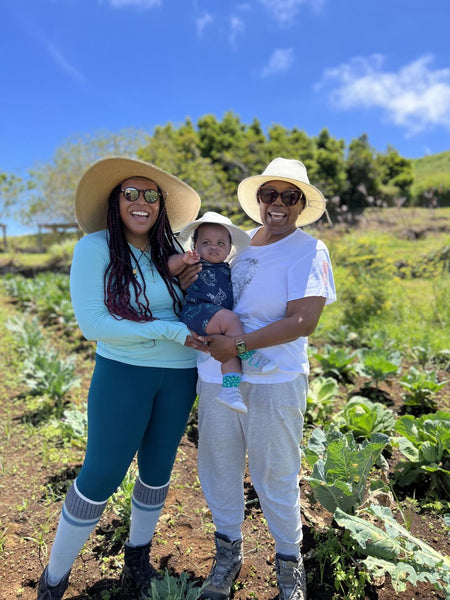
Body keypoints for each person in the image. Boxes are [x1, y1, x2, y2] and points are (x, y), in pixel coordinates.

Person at [37, 157, 207, 600]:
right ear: (115, 203)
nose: (141, 202)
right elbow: (94, 323)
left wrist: (197, 292)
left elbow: (193, 311)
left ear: (161, 205)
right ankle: (54, 578)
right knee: (100, 474)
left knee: (156, 471)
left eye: (151, 195)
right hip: (123, 373)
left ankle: (137, 560)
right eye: (130, 193)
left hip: (180, 376)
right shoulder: (94, 248)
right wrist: (168, 330)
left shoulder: (172, 251)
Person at [186, 158, 337, 600]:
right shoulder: (238, 243)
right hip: (216, 376)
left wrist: (239, 346)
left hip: (275, 381)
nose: (277, 204)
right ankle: (227, 554)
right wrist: (201, 333)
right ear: (258, 200)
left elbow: (303, 321)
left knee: (276, 474)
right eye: (269, 194)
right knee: (218, 467)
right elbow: (209, 294)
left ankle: (289, 563)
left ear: (301, 205)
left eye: (289, 197)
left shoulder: (310, 250)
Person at [169, 212, 277, 414]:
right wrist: (183, 259)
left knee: (229, 352)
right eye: (206, 242)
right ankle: (248, 354)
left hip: (215, 318)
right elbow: (170, 268)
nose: (213, 247)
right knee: (231, 320)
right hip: (197, 312)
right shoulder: (193, 262)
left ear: (229, 249)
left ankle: (230, 389)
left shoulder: (229, 267)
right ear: (195, 246)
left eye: (220, 243)